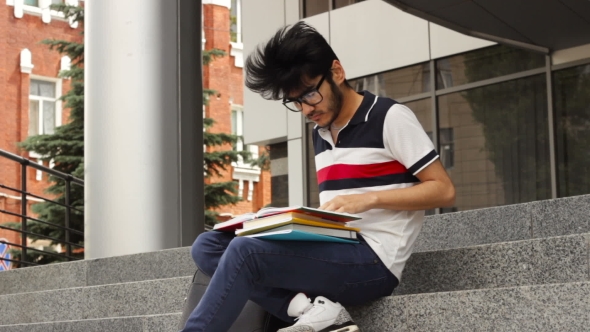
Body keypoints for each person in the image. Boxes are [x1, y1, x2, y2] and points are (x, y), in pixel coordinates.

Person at [181, 22, 455, 332]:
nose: (305, 109)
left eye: (310, 94)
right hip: (333, 246)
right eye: (295, 101)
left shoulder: (389, 118)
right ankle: (310, 310)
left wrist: (369, 199)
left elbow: (443, 190)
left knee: (246, 252)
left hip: (374, 262)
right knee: (207, 246)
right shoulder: (320, 132)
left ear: (336, 72)